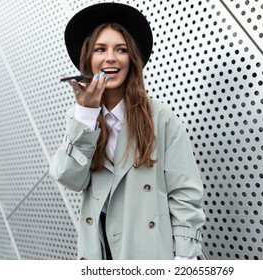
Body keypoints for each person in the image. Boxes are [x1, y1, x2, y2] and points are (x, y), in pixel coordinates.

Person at [49, 2, 205, 260]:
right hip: (100, 250)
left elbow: (185, 193)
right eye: (100, 49)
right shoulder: (78, 117)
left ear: (131, 59)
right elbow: (69, 178)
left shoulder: (160, 118)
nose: (111, 57)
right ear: (88, 59)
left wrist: (184, 258)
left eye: (121, 49)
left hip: (149, 252)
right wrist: (86, 117)